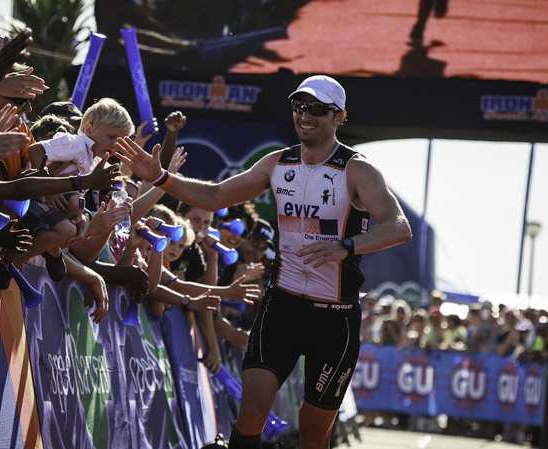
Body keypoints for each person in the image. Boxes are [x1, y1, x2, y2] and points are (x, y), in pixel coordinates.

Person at [115, 74, 412, 449]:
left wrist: (347, 246)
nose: (305, 116)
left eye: (317, 109)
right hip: (282, 307)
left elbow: (399, 226)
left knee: (313, 434)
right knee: (251, 414)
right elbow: (216, 196)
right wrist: (161, 177)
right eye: (300, 106)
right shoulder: (277, 163)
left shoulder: (357, 169)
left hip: (335, 318)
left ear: (339, 117)